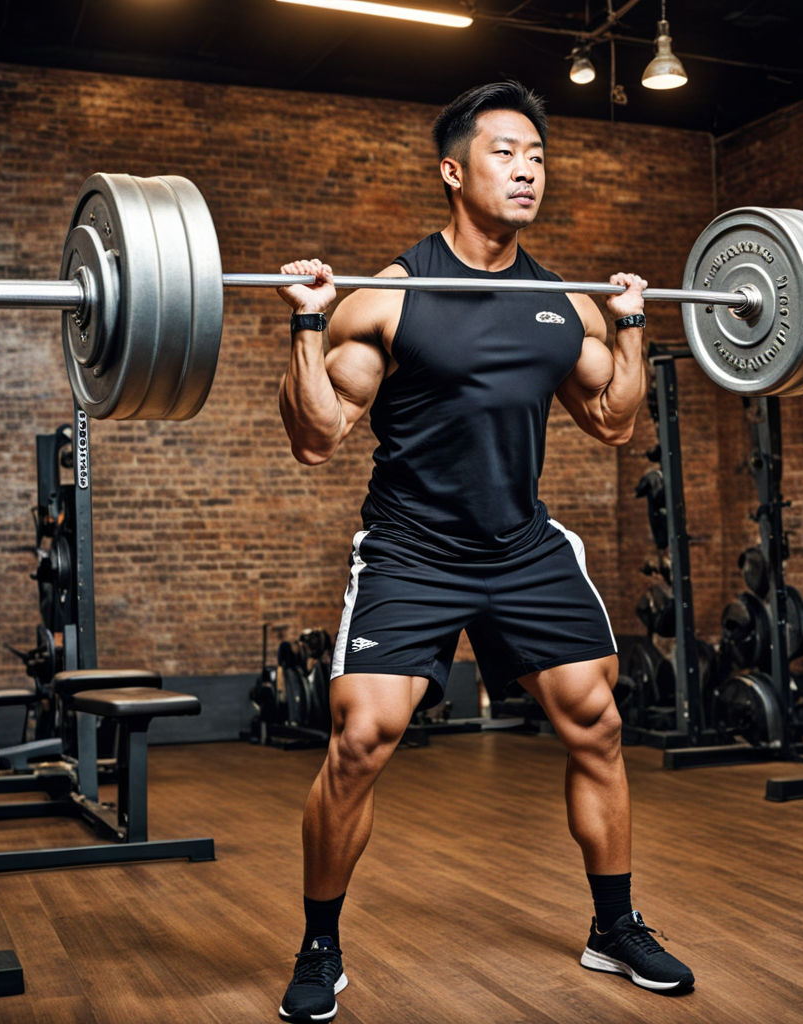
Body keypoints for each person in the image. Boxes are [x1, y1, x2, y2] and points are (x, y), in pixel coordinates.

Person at [274, 80, 695, 1023]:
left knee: (598, 724)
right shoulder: (391, 297)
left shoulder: (557, 304)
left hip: (520, 548)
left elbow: (614, 423)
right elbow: (315, 436)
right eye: (506, 153)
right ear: (454, 171)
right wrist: (306, 322)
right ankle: (319, 944)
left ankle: (613, 926)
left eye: (538, 157)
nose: (528, 170)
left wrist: (629, 323)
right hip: (412, 549)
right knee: (360, 741)